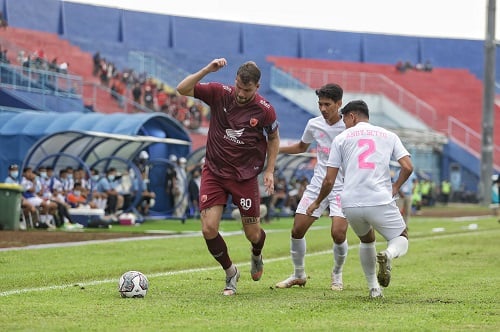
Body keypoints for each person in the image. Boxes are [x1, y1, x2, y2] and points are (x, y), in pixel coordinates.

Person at [176, 58, 280, 296]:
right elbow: (182, 89)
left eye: (248, 90)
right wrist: (206, 70)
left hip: (244, 177)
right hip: (213, 171)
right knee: (208, 228)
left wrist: (270, 170)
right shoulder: (218, 93)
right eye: (240, 88)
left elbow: (273, 138)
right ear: (235, 82)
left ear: (257, 87)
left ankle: (256, 253)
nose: (242, 94)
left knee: (253, 234)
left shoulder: (264, 110)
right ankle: (231, 272)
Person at [306, 100, 413, 298]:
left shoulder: (340, 138)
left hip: (350, 202)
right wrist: (395, 188)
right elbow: (407, 167)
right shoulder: (389, 135)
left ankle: (374, 289)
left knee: (366, 240)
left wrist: (316, 202)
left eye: (345, 119)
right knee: (401, 237)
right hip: (379, 197)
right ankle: (388, 255)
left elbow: (329, 180)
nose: (344, 123)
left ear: (352, 116)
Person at [275, 83, 349, 291]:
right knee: (297, 229)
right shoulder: (314, 124)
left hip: (342, 186)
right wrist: (274, 149)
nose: (323, 109)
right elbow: (301, 147)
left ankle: (337, 273)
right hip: (318, 183)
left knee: (338, 234)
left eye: (327, 104)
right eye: (320, 104)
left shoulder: (349, 127)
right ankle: (299, 274)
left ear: (339, 104)